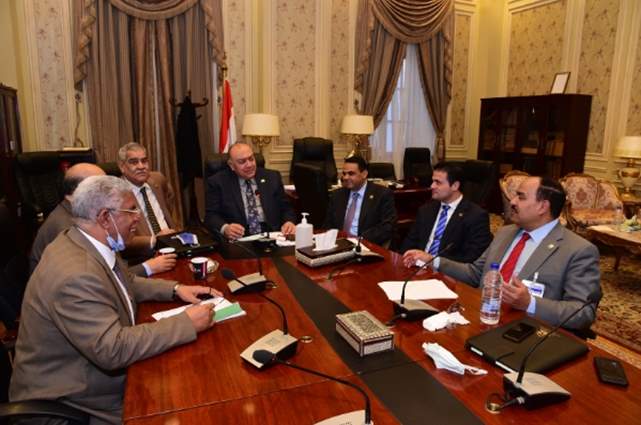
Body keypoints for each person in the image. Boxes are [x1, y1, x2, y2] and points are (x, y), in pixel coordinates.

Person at [10, 175, 219, 424]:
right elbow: (113, 349)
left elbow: (124, 281)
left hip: (92, 382)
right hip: (74, 402)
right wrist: (186, 323)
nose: (138, 218)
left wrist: (175, 289)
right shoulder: (76, 274)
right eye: (131, 210)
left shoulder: (86, 241)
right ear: (104, 218)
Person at [422, 176, 601, 330]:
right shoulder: (506, 232)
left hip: (527, 331)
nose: (512, 202)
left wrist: (530, 303)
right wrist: (433, 261)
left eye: (520, 197)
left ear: (542, 206)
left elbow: (583, 313)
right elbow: (476, 274)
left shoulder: (578, 250)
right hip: (479, 317)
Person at [29, 162, 175, 277]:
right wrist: (147, 267)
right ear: (81, 190)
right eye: (102, 186)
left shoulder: (86, 214)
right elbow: (103, 278)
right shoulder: (67, 227)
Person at [401, 162, 492, 264]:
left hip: (447, 271)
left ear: (455, 186)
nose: (432, 186)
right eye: (432, 181)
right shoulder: (426, 210)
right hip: (417, 266)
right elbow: (409, 243)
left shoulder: (476, 216)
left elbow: (471, 258)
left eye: (438, 182)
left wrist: (433, 261)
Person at [204, 142, 296, 239]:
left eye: (251, 159)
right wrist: (225, 228)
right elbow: (211, 216)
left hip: (272, 235)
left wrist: (289, 222)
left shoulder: (272, 177)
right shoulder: (218, 182)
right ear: (231, 165)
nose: (249, 165)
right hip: (240, 237)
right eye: (242, 162)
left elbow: (286, 208)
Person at [118, 142, 177, 257]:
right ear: (122, 167)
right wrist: (154, 239)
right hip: (144, 255)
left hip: (172, 245)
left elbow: (169, 201)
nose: (141, 166)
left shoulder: (158, 179)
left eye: (144, 161)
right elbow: (121, 240)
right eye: (134, 162)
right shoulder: (117, 194)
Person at [323, 155, 396, 246]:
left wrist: (359, 240)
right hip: (338, 244)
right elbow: (328, 224)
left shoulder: (382, 194)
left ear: (364, 174)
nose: (345, 177)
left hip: (366, 244)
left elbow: (387, 227)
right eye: (344, 173)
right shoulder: (337, 195)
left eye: (351, 174)